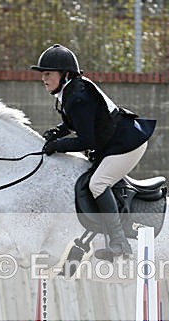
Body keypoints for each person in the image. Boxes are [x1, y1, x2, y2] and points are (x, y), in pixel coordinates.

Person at [31, 44, 156, 261]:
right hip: (114, 143)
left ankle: (119, 242)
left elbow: (86, 140)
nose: (44, 78)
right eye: (42, 74)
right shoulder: (69, 90)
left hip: (127, 145)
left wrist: (57, 145)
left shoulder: (78, 96)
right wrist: (58, 131)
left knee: (97, 183)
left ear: (65, 74)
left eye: (48, 74)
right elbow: (76, 124)